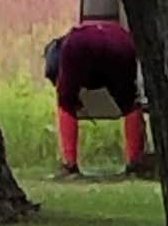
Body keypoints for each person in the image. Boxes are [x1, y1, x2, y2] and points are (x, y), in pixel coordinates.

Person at [43, 15, 149, 177]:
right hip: (122, 43)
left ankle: (70, 165)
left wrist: (70, 96)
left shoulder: (68, 46)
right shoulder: (100, 32)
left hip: (79, 47)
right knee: (130, 104)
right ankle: (135, 163)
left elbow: (64, 91)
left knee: (65, 103)